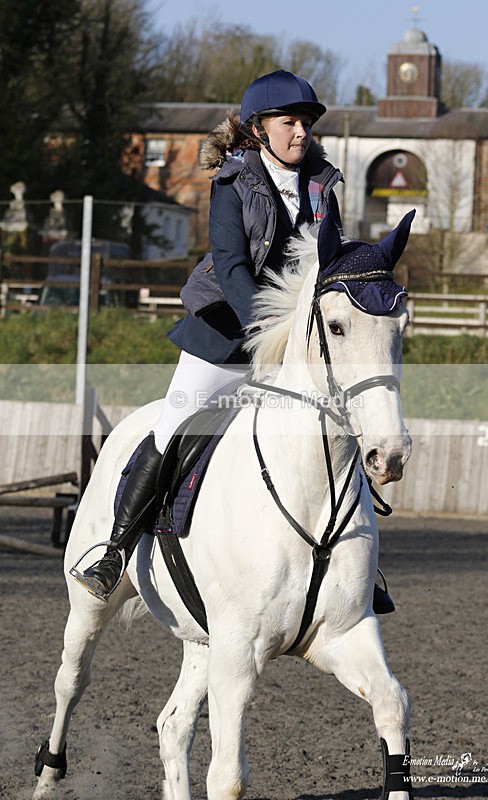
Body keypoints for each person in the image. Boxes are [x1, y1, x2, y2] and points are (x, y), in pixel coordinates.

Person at [72, 69, 394, 614]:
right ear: (259, 127)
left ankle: (359, 567)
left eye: (306, 124)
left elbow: (327, 262)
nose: (301, 133)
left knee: (337, 424)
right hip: (226, 330)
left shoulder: (323, 184)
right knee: (176, 423)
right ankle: (114, 549)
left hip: (297, 342)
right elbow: (231, 264)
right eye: (289, 122)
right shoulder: (233, 181)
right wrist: (268, 334)